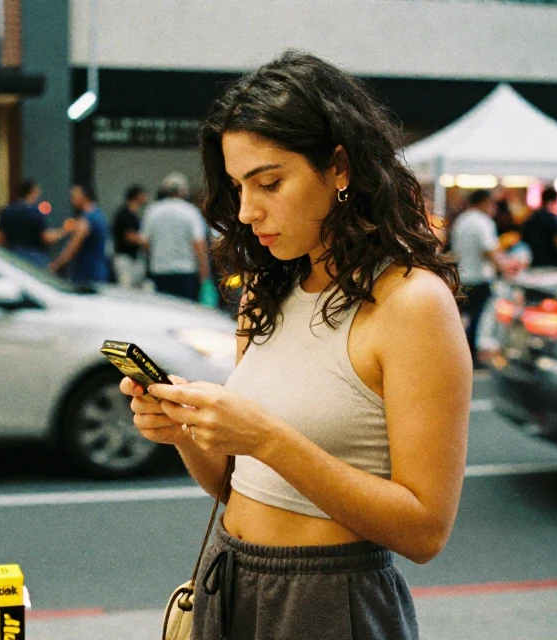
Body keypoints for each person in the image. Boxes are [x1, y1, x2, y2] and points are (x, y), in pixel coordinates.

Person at [123, 51, 469, 639]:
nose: (247, 210)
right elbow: (238, 483)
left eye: (270, 182)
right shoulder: (267, 286)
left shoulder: (411, 304)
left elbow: (424, 530)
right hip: (229, 577)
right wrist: (186, 429)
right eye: (237, 187)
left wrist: (267, 437)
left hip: (331, 598)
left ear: (338, 168)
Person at [449, 190, 503, 364]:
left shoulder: (461, 220)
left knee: (460, 320)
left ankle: (458, 355)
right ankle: (470, 357)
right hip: (479, 278)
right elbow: (490, 251)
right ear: (484, 202)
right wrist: (504, 268)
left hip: (462, 276)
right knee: (478, 320)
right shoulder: (483, 222)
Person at [140, 172, 210, 300]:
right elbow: (199, 244)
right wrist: (204, 272)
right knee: (187, 313)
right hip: (186, 271)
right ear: (183, 191)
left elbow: (145, 242)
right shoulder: (190, 211)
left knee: (164, 312)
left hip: (160, 270)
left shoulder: (152, 211)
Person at [0, 180, 66, 267]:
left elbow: (0, 238)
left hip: (13, 258)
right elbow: (47, 237)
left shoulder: (7, 211)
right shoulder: (34, 212)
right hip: (35, 260)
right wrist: (64, 230)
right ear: (32, 192)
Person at [50, 184, 110, 285]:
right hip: (98, 271)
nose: (72, 200)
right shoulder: (99, 215)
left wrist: (55, 266)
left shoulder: (86, 219)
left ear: (85, 196)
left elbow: (72, 247)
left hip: (87, 275)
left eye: (74, 196)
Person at [111, 185, 149, 288]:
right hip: (124, 259)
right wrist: (145, 242)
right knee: (125, 286)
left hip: (134, 258)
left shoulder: (134, 214)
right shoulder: (124, 214)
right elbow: (129, 236)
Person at [521, 187, 557, 269]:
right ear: (554, 201)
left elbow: (524, 240)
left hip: (534, 264)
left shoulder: (531, 218)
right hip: (551, 265)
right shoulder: (551, 219)